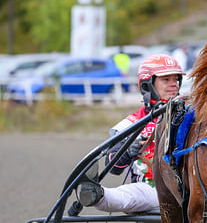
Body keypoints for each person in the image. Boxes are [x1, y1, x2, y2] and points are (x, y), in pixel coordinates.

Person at [77, 54, 185, 213]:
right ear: (148, 85)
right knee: (127, 197)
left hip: (190, 187)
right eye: (166, 79)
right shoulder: (132, 123)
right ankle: (96, 194)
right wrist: (128, 151)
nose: (173, 84)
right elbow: (113, 166)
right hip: (151, 189)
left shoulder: (191, 115)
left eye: (175, 79)